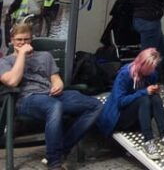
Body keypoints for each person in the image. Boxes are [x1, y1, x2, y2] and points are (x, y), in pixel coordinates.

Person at [0, 22, 103, 170]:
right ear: (12, 40)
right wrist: (21, 55)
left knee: (95, 105)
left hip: (52, 95)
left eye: (26, 39)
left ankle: (60, 150)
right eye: (19, 40)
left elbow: (55, 78)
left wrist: (58, 84)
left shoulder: (45, 56)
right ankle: (55, 163)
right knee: (54, 106)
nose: (23, 43)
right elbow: (12, 80)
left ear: (31, 39)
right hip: (27, 99)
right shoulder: (5, 62)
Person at [98, 48, 164, 160]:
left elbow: (150, 93)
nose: (152, 70)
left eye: (154, 68)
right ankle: (148, 141)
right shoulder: (125, 74)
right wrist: (144, 91)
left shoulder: (152, 74)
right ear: (143, 64)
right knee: (144, 99)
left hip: (139, 115)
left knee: (155, 98)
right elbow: (120, 102)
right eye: (150, 68)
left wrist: (154, 90)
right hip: (120, 116)